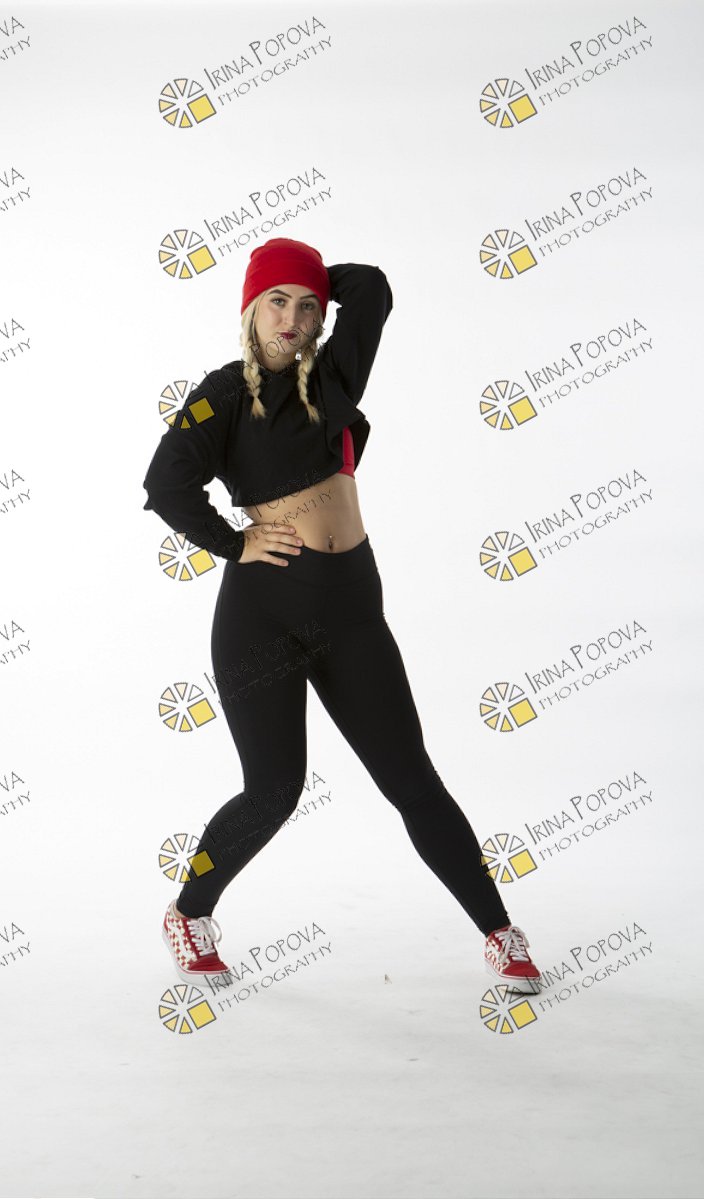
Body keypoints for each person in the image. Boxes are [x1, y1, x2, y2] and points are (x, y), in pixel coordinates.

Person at [142, 237, 541, 996]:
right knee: (273, 789)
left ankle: (500, 932)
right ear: (249, 310)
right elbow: (166, 483)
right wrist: (232, 541)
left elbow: (374, 288)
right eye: (275, 301)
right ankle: (189, 911)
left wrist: (309, 275)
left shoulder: (334, 378)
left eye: (306, 306)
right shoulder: (221, 393)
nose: (291, 318)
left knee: (411, 778)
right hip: (263, 612)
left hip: (352, 607)